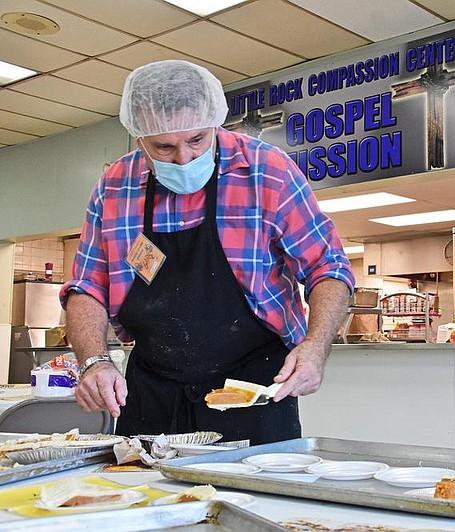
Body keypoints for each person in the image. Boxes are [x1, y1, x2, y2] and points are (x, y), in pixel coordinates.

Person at [60, 60, 354, 445]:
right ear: (139, 139)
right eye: (163, 147)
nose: (184, 158)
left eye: (197, 140)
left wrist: (315, 348)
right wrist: (95, 361)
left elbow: (328, 267)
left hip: (253, 387)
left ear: (215, 124)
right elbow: (87, 288)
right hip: (151, 390)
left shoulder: (267, 171)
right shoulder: (115, 186)